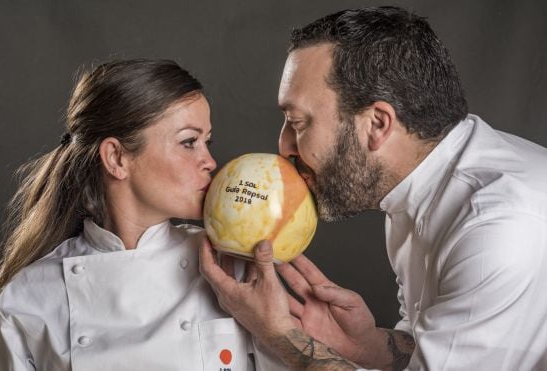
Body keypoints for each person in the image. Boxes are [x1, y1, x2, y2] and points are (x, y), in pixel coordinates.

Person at [200, 6, 547, 371]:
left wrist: (278, 335)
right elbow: (439, 344)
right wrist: (368, 345)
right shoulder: (415, 186)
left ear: (377, 124)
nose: (284, 146)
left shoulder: (498, 223)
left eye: (297, 122)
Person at [0, 59, 285, 370]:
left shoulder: (234, 271)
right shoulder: (28, 299)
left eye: (207, 142)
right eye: (189, 142)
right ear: (117, 158)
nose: (210, 162)